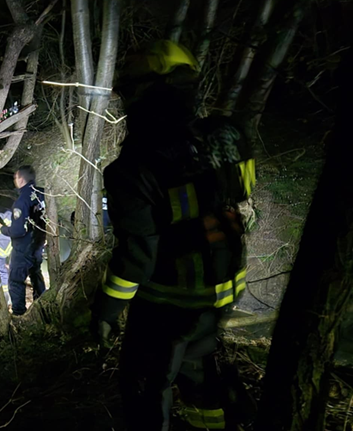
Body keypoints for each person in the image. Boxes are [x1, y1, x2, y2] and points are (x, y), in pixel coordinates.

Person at [89, 40, 256, 431]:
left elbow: (137, 257)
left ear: (147, 91)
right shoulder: (227, 135)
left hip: (171, 299)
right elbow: (238, 198)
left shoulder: (132, 168)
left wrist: (107, 312)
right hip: (226, 289)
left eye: (130, 90)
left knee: (146, 383)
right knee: (196, 368)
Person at [2, 165, 46, 316]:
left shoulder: (22, 201)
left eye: (15, 178)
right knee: (36, 275)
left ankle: (19, 314)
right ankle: (42, 308)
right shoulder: (42, 194)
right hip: (38, 244)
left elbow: (18, 230)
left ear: (21, 179)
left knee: (15, 280)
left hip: (23, 247)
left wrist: (4, 230)